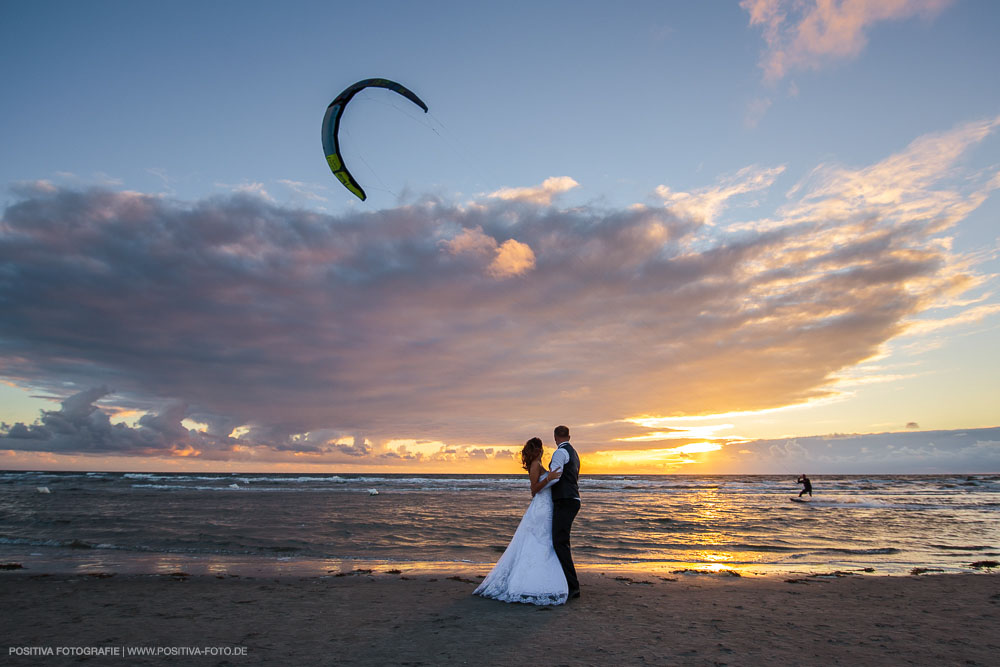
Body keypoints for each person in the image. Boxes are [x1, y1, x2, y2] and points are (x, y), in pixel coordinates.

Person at [473, 437, 568, 605]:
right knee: (540, 541)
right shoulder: (535, 466)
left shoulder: (538, 465)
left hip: (546, 506)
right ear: (538, 450)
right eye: (541, 447)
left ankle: (538, 579)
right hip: (541, 508)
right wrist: (548, 478)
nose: (544, 449)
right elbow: (534, 490)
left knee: (543, 542)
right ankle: (527, 583)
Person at [546, 425, 581, 599]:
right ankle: (566, 583)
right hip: (573, 499)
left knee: (560, 542)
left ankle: (573, 587)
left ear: (555, 437)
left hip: (565, 500)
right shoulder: (574, 453)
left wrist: (540, 486)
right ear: (569, 436)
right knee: (561, 541)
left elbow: (556, 476)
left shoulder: (560, 453)